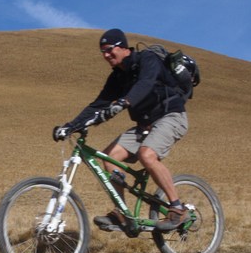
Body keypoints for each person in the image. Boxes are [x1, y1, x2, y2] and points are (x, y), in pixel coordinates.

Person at [53, 28, 192, 231]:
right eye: (103, 52)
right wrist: (70, 127)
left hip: (171, 116)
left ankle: (177, 208)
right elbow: (97, 104)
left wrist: (125, 101)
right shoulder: (117, 77)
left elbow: (145, 83)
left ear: (122, 47)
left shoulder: (147, 58)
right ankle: (124, 214)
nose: (106, 55)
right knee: (109, 158)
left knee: (147, 155)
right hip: (144, 126)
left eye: (109, 50)